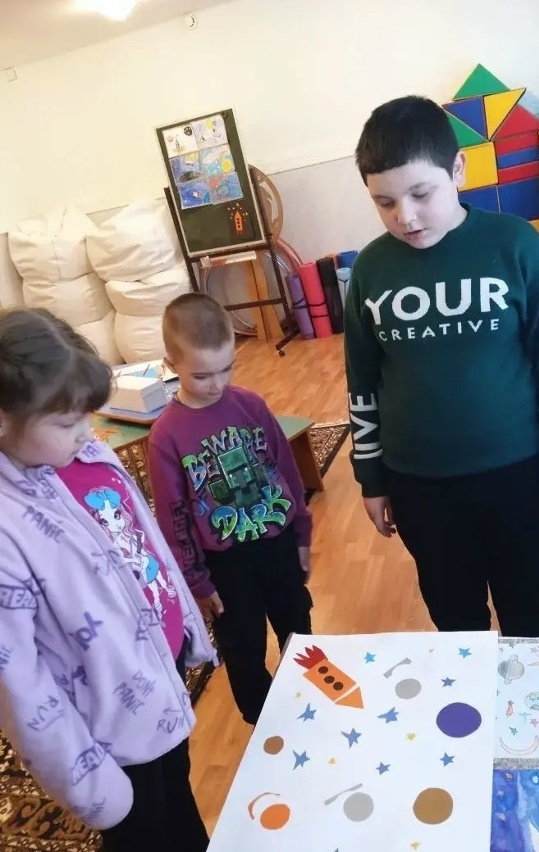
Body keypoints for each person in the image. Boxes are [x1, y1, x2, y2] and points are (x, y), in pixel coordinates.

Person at [344, 95, 539, 638]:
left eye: (420, 193)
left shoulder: (516, 246)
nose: (405, 216)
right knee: (455, 623)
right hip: (419, 489)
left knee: (528, 615)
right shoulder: (370, 269)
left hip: (516, 479)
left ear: (457, 169)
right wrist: (372, 479)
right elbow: (362, 383)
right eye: (384, 202)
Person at [0, 307, 214, 852]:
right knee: (147, 832)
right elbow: (19, 685)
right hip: (109, 734)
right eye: (66, 422)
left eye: (85, 416)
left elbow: (144, 542)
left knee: (181, 806)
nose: (86, 432)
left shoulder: (89, 454)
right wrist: (91, 784)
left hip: (158, 682)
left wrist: (187, 623)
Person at [147, 292, 313, 725]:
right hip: (225, 565)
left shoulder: (251, 405)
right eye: (202, 375)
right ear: (171, 364)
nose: (217, 383)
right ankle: (263, 723)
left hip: (277, 544)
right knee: (243, 647)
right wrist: (197, 581)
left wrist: (302, 532)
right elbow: (173, 517)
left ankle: (311, 703)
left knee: (298, 624)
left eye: (226, 368)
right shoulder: (166, 435)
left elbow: (286, 470)